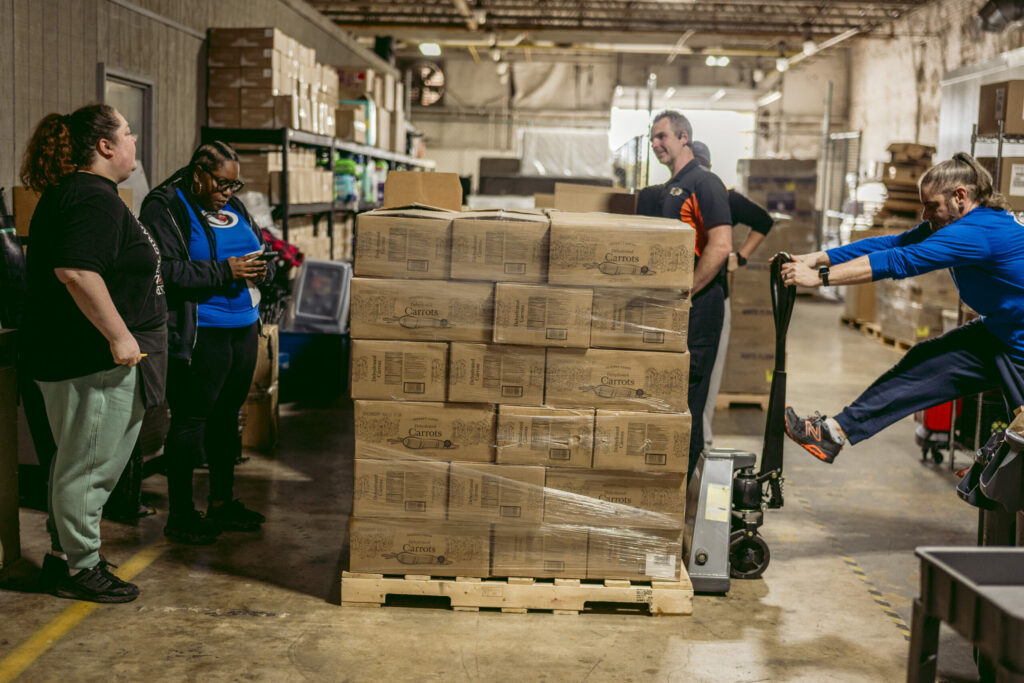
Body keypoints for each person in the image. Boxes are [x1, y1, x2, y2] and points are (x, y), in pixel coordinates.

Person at [782, 152, 1024, 462]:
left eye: (932, 206)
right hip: (1003, 333)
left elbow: (900, 261)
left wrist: (819, 279)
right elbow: (894, 244)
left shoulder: (976, 233)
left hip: (1016, 344)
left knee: (1019, 446)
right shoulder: (962, 223)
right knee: (925, 362)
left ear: (960, 197)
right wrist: (820, 258)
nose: (925, 215)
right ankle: (833, 433)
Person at [21, 103, 167, 603]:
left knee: (79, 464)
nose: (133, 143)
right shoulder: (91, 198)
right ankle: (79, 570)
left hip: (88, 360)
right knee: (88, 469)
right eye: (127, 134)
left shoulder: (84, 194)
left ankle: (68, 557)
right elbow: (78, 272)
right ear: (104, 146)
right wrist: (120, 336)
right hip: (93, 361)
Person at [140, 142, 273, 544]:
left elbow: (248, 246)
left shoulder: (232, 204)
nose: (228, 192)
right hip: (201, 330)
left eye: (235, 185)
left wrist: (259, 269)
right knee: (191, 418)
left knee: (227, 415)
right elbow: (164, 270)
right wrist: (225, 271)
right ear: (199, 171)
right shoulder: (165, 206)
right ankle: (180, 514)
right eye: (221, 183)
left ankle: (221, 502)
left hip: (243, 323)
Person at [636, 112, 733, 478]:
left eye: (662, 136)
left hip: (699, 305)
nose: (656, 144)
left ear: (683, 137)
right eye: (652, 139)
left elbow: (721, 245)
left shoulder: (704, 183)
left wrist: (686, 291)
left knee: (689, 397)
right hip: (676, 305)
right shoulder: (670, 187)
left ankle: (680, 487)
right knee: (668, 392)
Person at [688, 141, 775, 447]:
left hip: (713, 295)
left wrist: (742, 256)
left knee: (708, 372)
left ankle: (702, 437)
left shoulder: (723, 198)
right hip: (682, 295)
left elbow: (764, 221)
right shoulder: (676, 195)